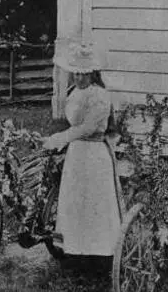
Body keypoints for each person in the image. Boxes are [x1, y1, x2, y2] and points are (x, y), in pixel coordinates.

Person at [43, 42, 120, 273]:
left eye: (83, 73)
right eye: (75, 72)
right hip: (77, 155)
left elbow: (87, 128)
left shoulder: (100, 96)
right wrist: (66, 140)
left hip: (94, 154)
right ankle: (76, 254)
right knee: (76, 201)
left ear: (93, 73)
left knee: (95, 203)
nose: (78, 77)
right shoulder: (74, 92)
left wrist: (59, 138)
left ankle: (100, 257)